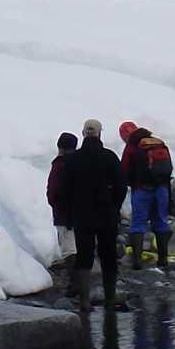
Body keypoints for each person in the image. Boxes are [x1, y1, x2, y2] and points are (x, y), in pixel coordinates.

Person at [55, 119, 128, 313]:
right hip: (107, 215)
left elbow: (63, 190)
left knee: (84, 256)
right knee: (108, 256)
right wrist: (115, 206)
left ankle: (85, 301)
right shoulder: (109, 157)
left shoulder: (73, 160)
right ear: (100, 133)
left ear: (83, 134)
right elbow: (121, 185)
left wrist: (70, 212)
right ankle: (110, 299)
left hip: (82, 216)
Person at [119, 121, 175, 269]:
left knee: (138, 223)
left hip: (141, 190)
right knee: (161, 221)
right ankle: (163, 259)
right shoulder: (157, 142)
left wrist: (129, 182)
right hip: (161, 189)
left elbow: (123, 169)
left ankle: (137, 261)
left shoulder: (131, 147)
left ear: (125, 136)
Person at [45, 132, 80, 294]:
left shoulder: (59, 165)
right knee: (80, 246)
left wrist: (55, 204)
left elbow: (53, 190)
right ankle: (83, 281)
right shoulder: (82, 162)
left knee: (69, 249)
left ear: (60, 147)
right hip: (83, 212)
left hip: (64, 214)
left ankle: (76, 284)